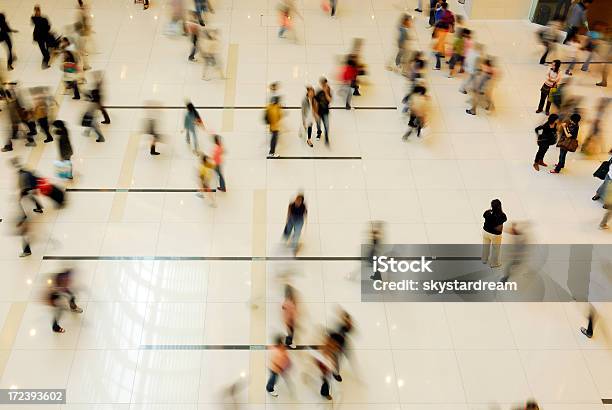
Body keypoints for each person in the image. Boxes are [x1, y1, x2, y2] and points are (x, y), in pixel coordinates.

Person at [482, 199, 507, 268]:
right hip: (495, 235)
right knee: (496, 249)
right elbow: (503, 220)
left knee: (485, 246)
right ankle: (494, 263)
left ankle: (484, 259)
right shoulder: (502, 215)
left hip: (485, 232)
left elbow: (484, 215)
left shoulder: (487, 212)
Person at [315, 77, 332, 144]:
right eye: (322, 84)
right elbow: (315, 102)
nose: (323, 85)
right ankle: (319, 133)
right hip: (319, 111)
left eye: (324, 83)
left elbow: (330, 100)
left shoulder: (329, 91)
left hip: (325, 112)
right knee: (318, 124)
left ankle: (326, 137)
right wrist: (315, 113)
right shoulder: (318, 92)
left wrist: (326, 92)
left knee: (326, 125)